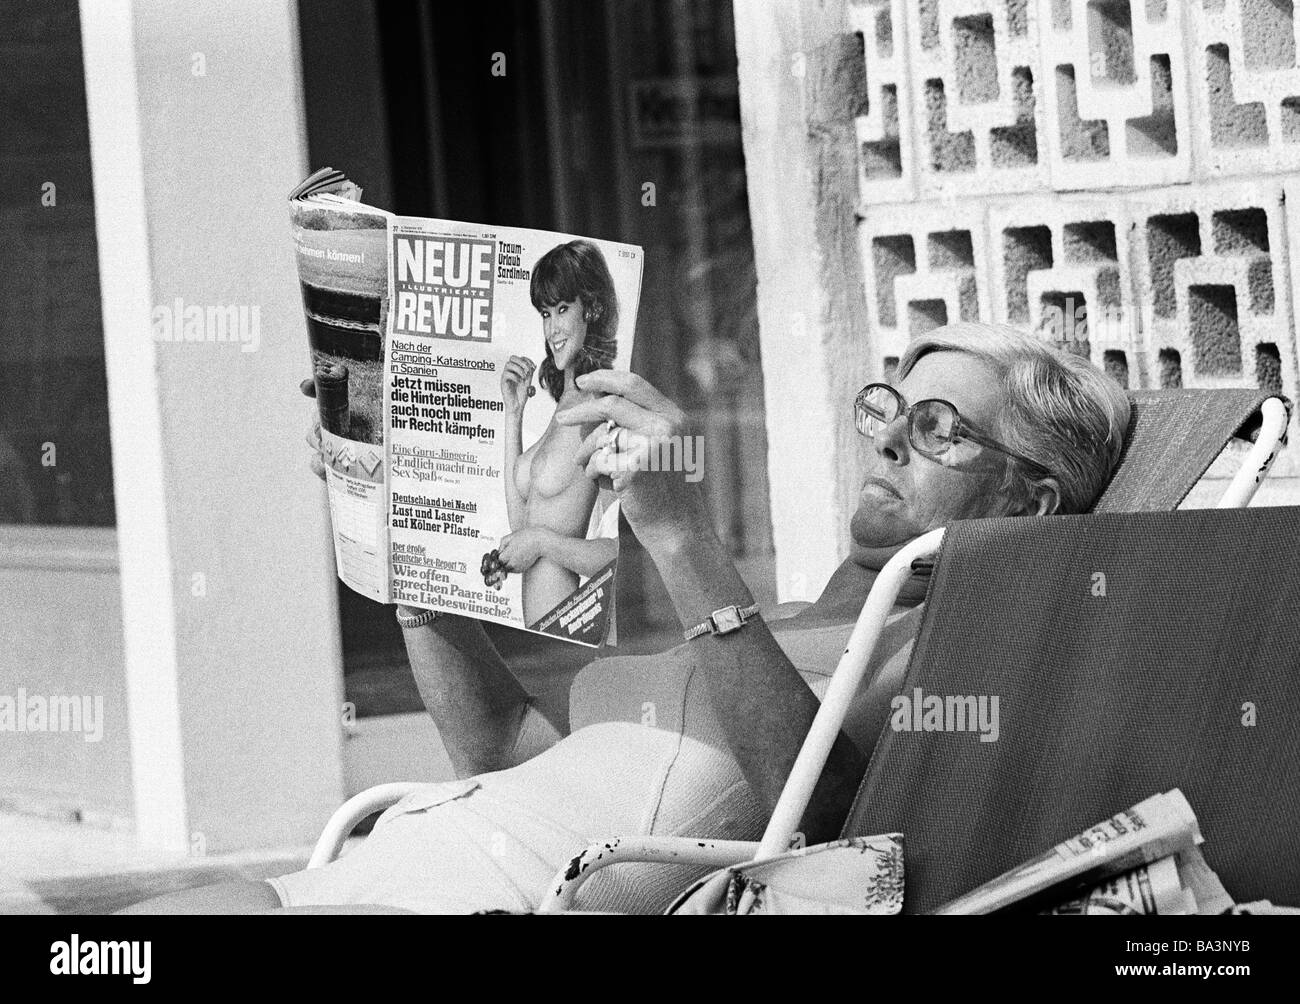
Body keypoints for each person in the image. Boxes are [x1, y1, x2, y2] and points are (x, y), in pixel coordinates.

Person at [122, 322, 1130, 914]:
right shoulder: (786, 616)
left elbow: (830, 836)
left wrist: (683, 539)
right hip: (375, 870)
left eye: (938, 428)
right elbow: (500, 748)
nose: (892, 444)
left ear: (1027, 500)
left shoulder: (946, 646)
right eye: (889, 410)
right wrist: (408, 557)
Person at [495, 240, 620, 624]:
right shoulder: (564, 404)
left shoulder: (601, 405)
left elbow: (620, 555)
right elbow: (523, 528)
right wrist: (513, 414)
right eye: (546, 313)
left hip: (570, 632)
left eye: (563, 309)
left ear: (592, 309)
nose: (552, 328)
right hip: (536, 633)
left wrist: (542, 542)